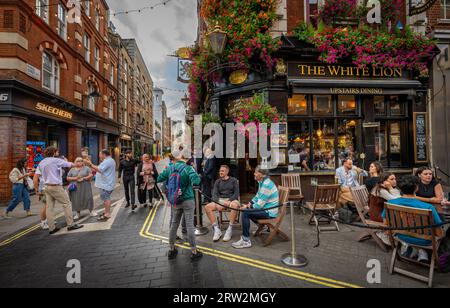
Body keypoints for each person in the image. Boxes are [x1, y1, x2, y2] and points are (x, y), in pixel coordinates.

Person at [384, 175, 444, 263]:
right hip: (425, 240)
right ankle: (431, 257)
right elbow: (438, 233)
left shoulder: (390, 203)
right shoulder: (428, 207)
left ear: (400, 188)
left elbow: (386, 224)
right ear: (416, 188)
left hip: (402, 236)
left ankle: (414, 250)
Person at [157, 153, 203, 261]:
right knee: (190, 225)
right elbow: (196, 181)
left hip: (175, 200)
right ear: (184, 158)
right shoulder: (188, 168)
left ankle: (172, 249)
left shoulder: (170, 168)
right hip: (188, 200)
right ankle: (194, 251)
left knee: (174, 224)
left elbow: (159, 178)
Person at [33, 146, 83, 234]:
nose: (58, 153)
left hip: (46, 187)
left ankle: (52, 228)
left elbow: (36, 177)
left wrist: (36, 189)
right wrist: (77, 163)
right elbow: (70, 164)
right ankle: (70, 225)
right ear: (53, 152)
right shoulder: (55, 160)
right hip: (56, 186)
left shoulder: (41, 162)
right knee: (66, 203)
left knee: (49, 207)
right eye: (57, 152)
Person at [232, 166, 279, 249]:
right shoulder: (262, 182)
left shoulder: (266, 185)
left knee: (246, 213)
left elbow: (259, 205)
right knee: (247, 210)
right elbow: (257, 197)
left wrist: (247, 207)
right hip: (266, 209)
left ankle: (246, 241)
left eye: (256, 172)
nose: (254, 173)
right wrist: (249, 204)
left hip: (269, 212)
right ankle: (263, 226)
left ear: (263, 175)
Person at [205, 165, 241, 242]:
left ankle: (229, 229)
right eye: (220, 171)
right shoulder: (217, 181)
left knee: (235, 205)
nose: (220, 172)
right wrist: (218, 202)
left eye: (222, 171)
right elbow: (214, 194)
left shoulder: (233, 180)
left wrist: (229, 201)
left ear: (227, 172)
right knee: (207, 207)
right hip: (220, 200)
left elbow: (236, 193)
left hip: (231, 199)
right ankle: (217, 229)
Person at [84, 149, 116, 221]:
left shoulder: (108, 161)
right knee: (105, 199)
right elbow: (99, 169)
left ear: (104, 154)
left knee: (106, 199)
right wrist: (91, 164)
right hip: (106, 184)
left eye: (100, 154)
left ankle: (107, 214)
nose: (99, 156)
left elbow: (100, 169)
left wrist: (90, 164)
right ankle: (106, 212)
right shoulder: (108, 161)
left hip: (106, 184)